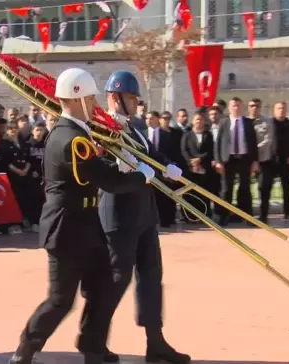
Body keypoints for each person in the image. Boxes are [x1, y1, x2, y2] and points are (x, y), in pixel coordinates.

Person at [9, 68, 156, 364]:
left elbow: (101, 173)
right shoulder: (71, 139)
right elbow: (106, 180)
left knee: (103, 287)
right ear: (77, 99)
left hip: (87, 227)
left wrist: (129, 168)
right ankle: (25, 349)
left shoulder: (78, 133)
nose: (94, 103)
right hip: (67, 231)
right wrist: (140, 175)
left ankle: (92, 346)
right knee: (61, 300)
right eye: (90, 97)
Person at [100, 70, 189, 364]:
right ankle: (94, 339)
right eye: (130, 97)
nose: (136, 103)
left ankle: (155, 341)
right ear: (115, 98)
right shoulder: (101, 127)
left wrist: (168, 166)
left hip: (144, 213)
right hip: (119, 214)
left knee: (151, 277)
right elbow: (103, 167)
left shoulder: (135, 126)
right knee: (117, 279)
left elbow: (152, 153)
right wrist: (131, 169)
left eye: (136, 98)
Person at [213, 97, 258, 226]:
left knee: (245, 188)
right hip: (228, 159)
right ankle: (223, 217)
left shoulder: (248, 123)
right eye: (233, 105)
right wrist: (218, 161)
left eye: (238, 105)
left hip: (244, 158)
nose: (236, 108)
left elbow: (253, 143)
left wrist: (255, 161)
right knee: (226, 189)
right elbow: (218, 143)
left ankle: (247, 216)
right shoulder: (224, 123)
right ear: (229, 107)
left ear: (242, 107)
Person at [181, 111, 215, 220]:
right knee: (190, 193)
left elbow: (210, 150)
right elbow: (184, 149)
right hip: (190, 168)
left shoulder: (208, 135)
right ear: (193, 121)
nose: (199, 122)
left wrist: (200, 160)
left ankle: (204, 215)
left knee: (204, 192)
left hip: (204, 167)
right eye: (197, 119)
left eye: (201, 119)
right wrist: (191, 161)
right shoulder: (187, 135)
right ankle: (189, 216)